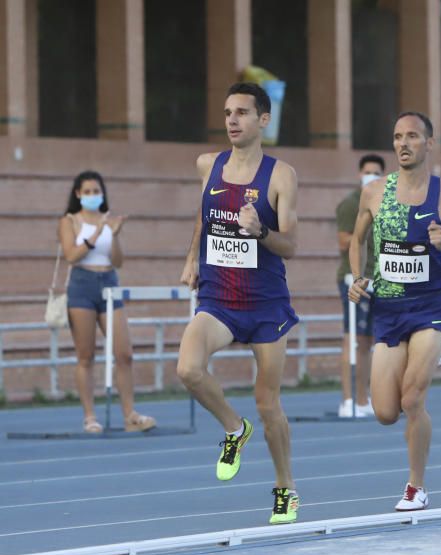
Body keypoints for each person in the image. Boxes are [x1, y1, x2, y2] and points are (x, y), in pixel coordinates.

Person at [176, 82, 301, 524]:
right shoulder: (207, 165)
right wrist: (192, 257)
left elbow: (291, 246)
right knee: (188, 369)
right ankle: (234, 427)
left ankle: (285, 488)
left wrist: (260, 232)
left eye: (242, 113)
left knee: (268, 403)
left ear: (263, 120)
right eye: (228, 112)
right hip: (219, 297)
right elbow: (202, 213)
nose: (232, 120)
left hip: (265, 303)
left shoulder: (280, 175)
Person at [348, 111, 441, 511]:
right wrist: (358, 277)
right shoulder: (374, 191)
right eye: (397, 137)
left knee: (411, 399)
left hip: (431, 306)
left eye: (412, 136)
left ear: (429, 142)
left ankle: (416, 486)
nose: (403, 144)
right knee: (386, 412)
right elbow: (358, 241)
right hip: (389, 309)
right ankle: (431, 353)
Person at [57, 171, 156, 434]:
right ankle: (90, 416)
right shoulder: (70, 221)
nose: (92, 196)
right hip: (82, 284)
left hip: (109, 282)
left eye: (96, 191)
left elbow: (118, 261)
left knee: (124, 353)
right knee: (86, 355)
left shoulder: (109, 220)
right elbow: (71, 255)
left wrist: (114, 234)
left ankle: (130, 414)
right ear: (78, 194)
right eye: (87, 192)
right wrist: (96, 233)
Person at [335, 153, 385, 417]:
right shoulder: (350, 204)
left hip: (382, 278)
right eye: (367, 172)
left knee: (375, 341)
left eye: (376, 172)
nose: (371, 176)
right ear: (359, 174)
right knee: (353, 338)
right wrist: (366, 222)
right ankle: (348, 400)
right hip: (354, 278)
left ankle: (366, 398)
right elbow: (344, 242)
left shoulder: (388, 201)